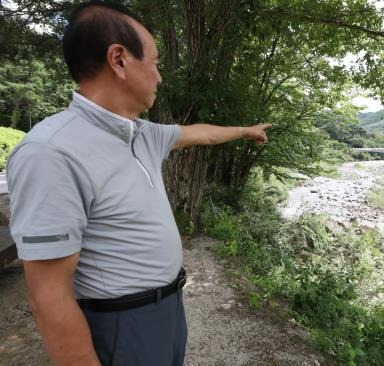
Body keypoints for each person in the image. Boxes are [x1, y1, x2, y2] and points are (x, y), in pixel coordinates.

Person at [6, 1, 270, 365]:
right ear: (119, 60)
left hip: (168, 309)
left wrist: (245, 131)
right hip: (119, 324)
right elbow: (49, 296)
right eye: (156, 62)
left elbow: (201, 134)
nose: (160, 76)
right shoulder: (51, 152)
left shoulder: (141, 134)